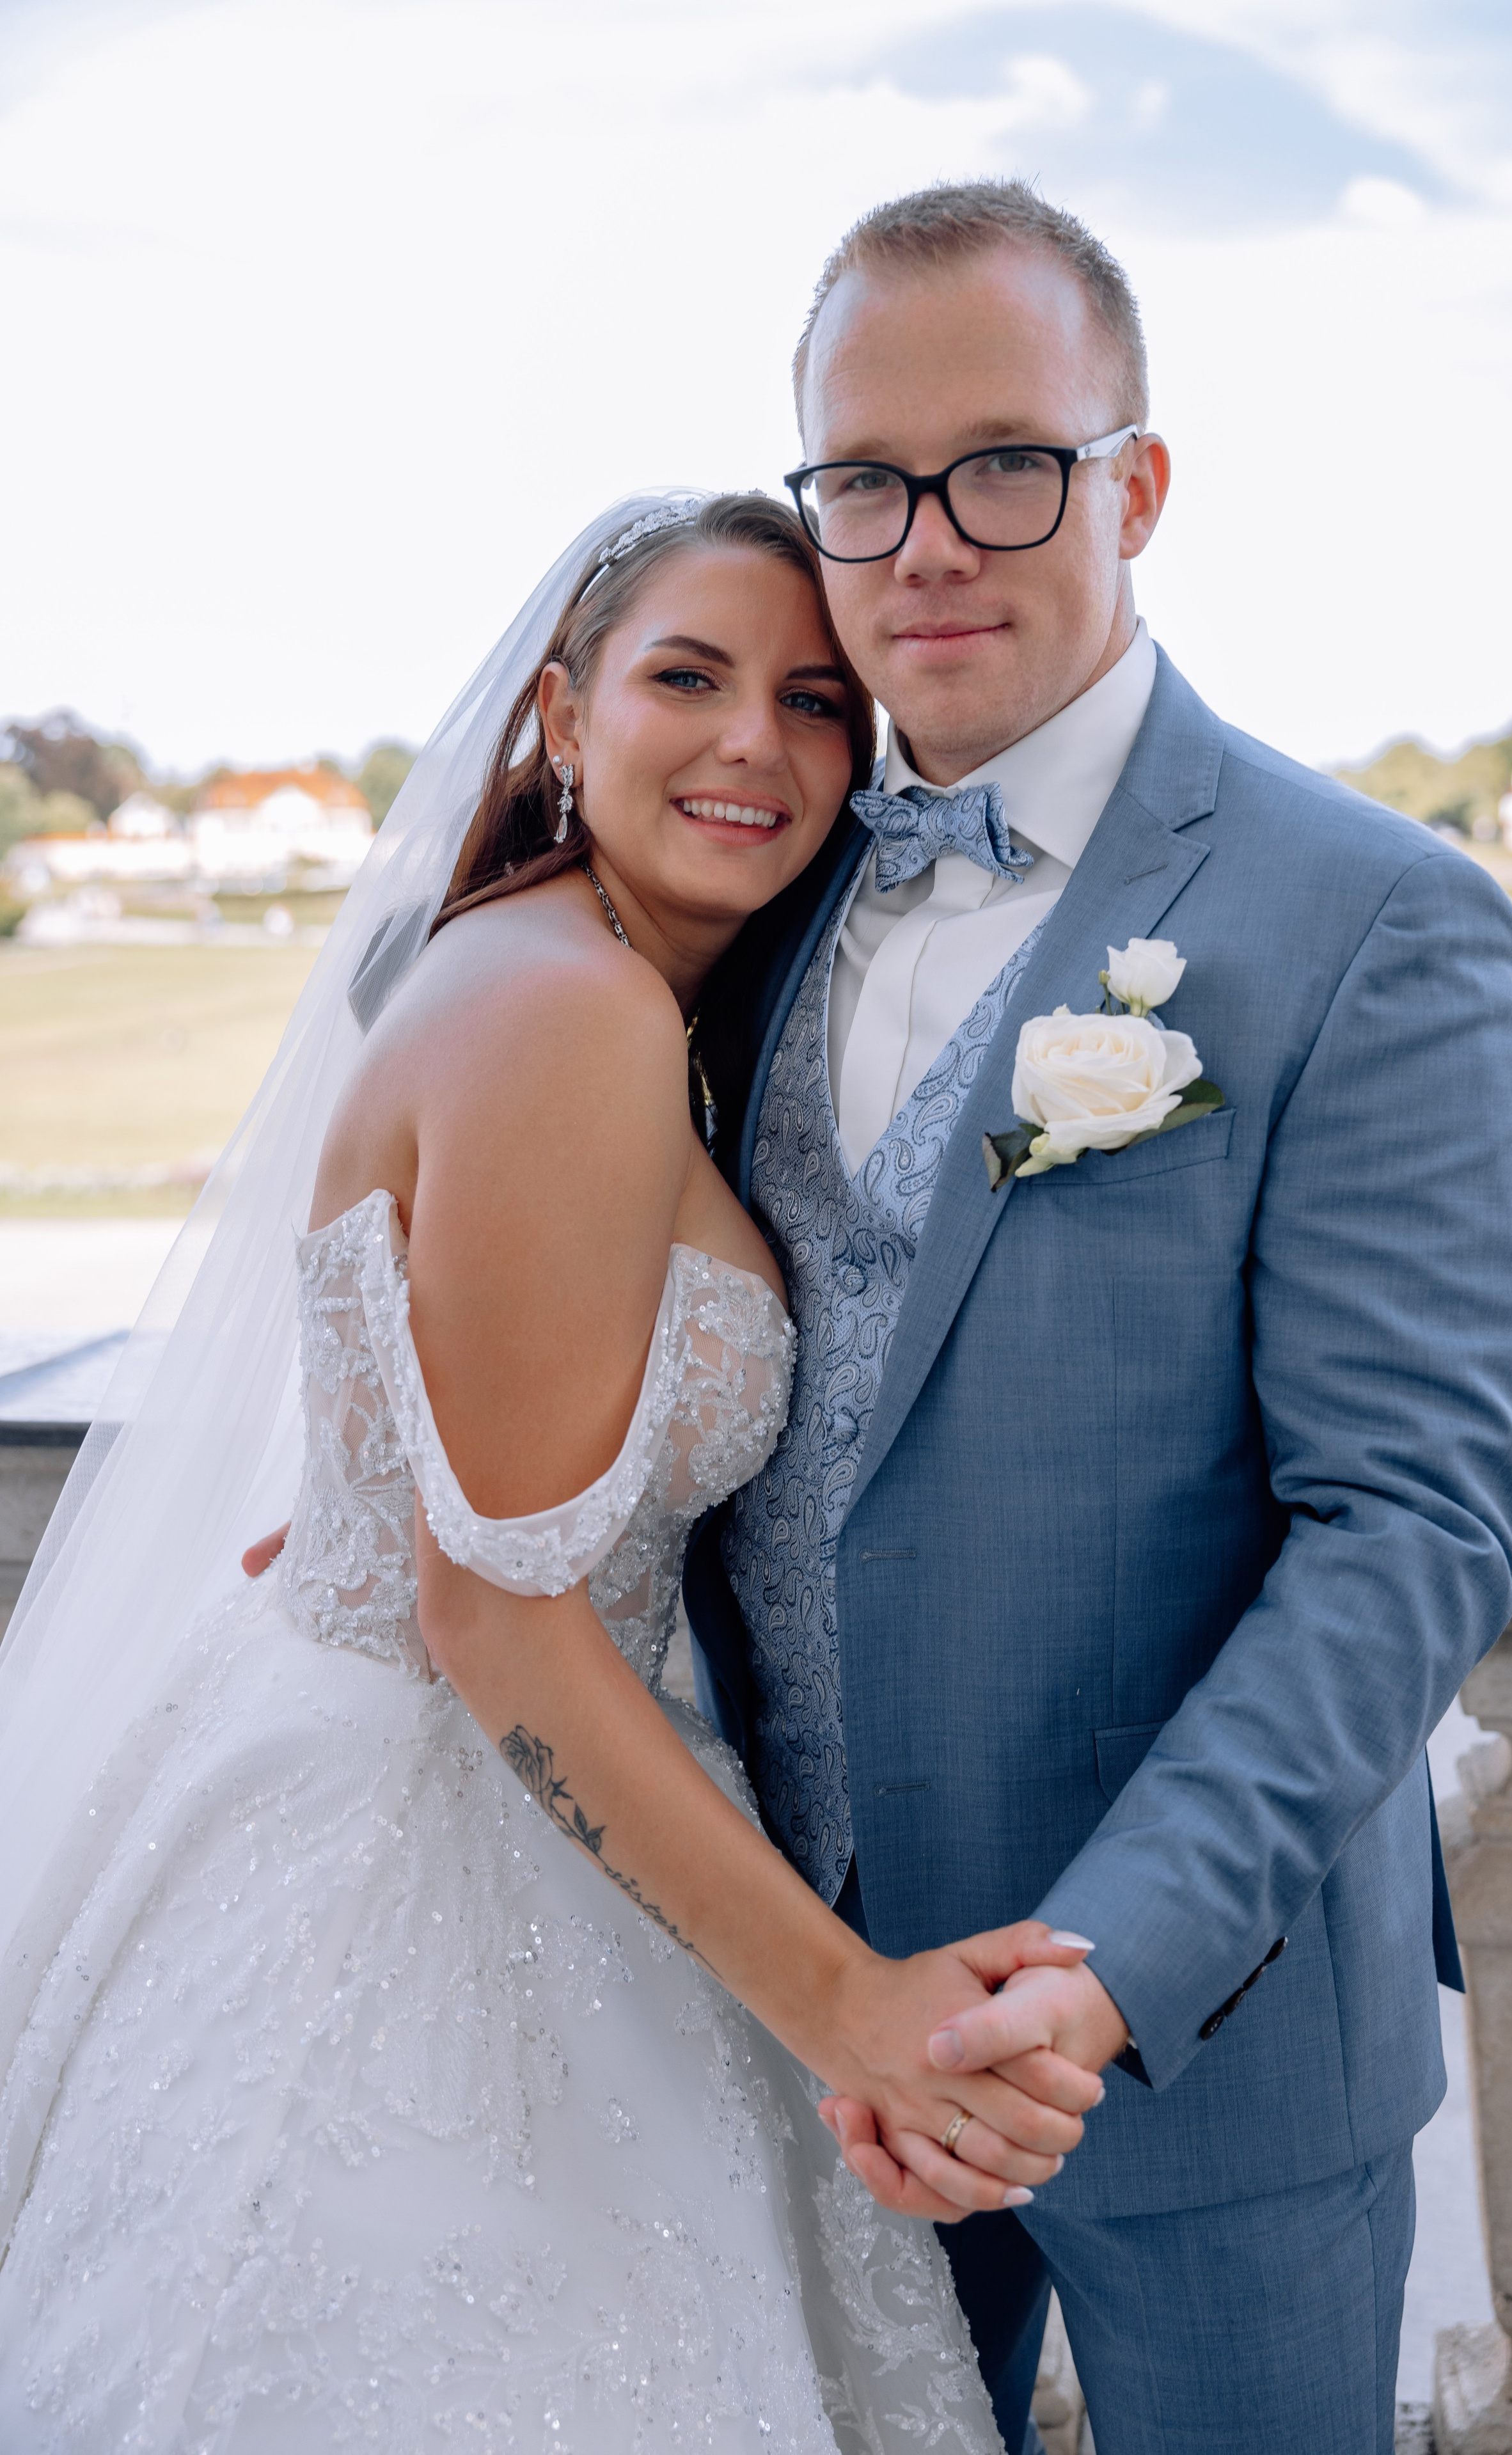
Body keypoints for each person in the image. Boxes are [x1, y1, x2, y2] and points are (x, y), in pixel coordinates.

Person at [0, 493, 1103, 2452]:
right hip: (427, 1865)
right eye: (689, 676)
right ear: (561, 718)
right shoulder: (566, 1013)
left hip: (462, 1774)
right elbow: (491, 1614)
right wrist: (854, 2006)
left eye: (818, 699)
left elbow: (477, 1465)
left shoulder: (581, 980)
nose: (759, 742)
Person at [681, 184, 1512, 2455]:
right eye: (864, 482)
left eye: (1010, 464)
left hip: (1199, 2046)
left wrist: (1096, 1977)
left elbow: (1412, 1528)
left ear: (1139, 483)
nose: (928, 545)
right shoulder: (751, 900)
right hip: (793, 2016)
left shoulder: (1376, 921)